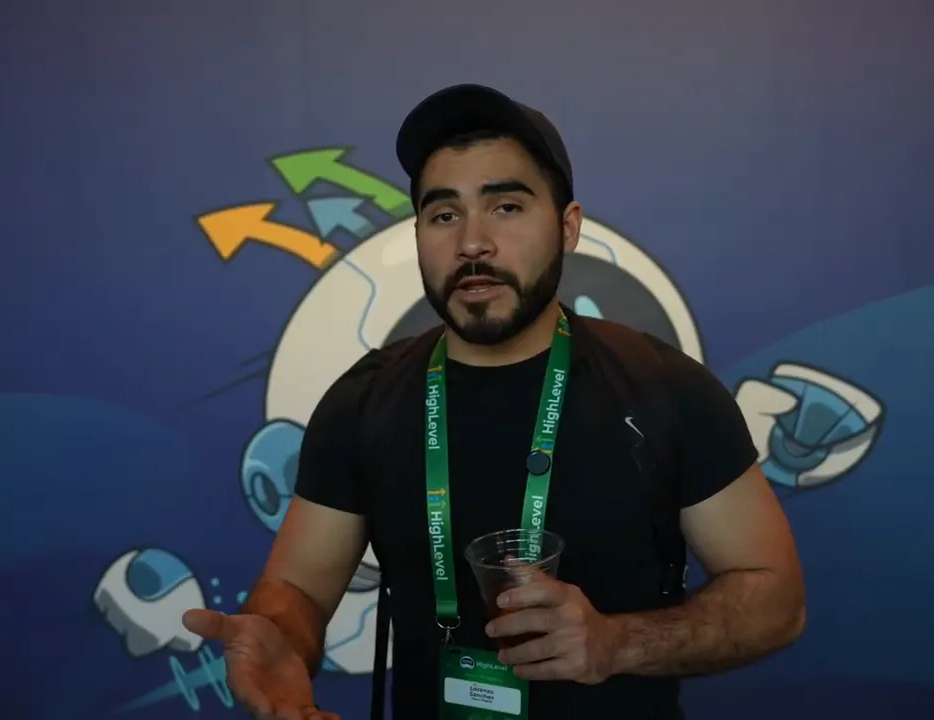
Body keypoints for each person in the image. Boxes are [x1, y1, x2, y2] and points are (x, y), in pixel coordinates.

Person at [182, 84, 806, 720]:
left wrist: (616, 644)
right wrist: (281, 639)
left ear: (568, 227)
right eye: (444, 214)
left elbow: (775, 599)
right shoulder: (363, 401)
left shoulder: (666, 389)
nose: (472, 242)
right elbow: (297, 588)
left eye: (506, 206)